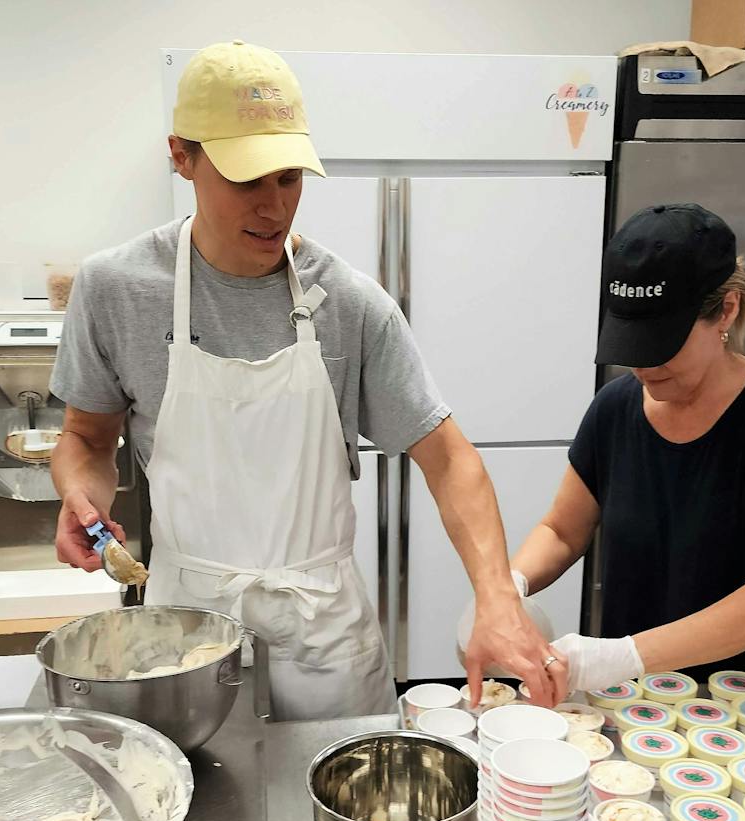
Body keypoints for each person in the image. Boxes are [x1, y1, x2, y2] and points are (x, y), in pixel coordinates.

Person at [48, 40, 562, 719]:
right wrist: (82, 498)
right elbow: (86, 437)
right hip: (188, 632)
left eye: (288, 178)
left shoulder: (349, 303)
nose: (274, 207)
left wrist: (497, 596)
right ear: (182, 156)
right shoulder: (116, 289)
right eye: (246, 180)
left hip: (324, 632)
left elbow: (449, 459)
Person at [518, 204, 745, 693]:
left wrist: (622, 654)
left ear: (726, 310)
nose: (645, 367)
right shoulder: (614, 408)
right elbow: (562, 531)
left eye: (662, 343)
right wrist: (509, 586)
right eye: (633, 343)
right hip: (649, 698)